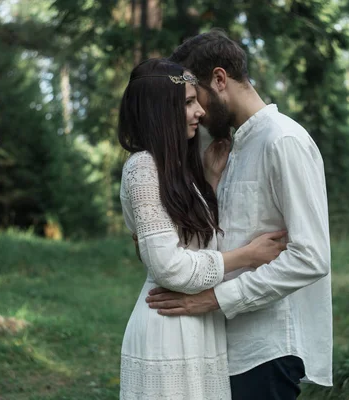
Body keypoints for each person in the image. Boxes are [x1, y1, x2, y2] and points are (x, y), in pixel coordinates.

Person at [146, 30, 333, 400]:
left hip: (268, 349)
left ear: (219, 79)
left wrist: (215, 298)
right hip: (226, 347)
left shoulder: (283, 141)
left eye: (195, 97)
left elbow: (311, 257)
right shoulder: (230, 147)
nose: (196, 111)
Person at [117, 58, 287, 400]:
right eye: (188, 103)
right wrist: (246, 256)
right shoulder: (143, 168)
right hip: (167, 329)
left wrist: (208, 181)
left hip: (199, 328)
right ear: (160, 112)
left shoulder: (176, 171)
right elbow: (169, 266)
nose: (200, 112)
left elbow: (192, 242)